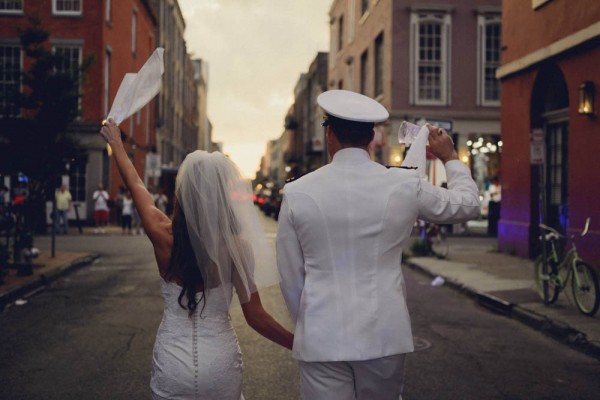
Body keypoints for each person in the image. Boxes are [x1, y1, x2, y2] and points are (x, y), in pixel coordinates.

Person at [276, 90, 480, 400]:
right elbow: (467, 205)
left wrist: (308, 320)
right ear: (371, 136)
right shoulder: (404, 185)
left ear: (329, 134)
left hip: (321, 334)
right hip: (383, 332)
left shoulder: (298, 192)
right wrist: (450, 158)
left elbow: (291, 278)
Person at [100, 119, 294, 400]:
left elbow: (136, 184)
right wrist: (298, 345)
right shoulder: (236, 247)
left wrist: (116, 143)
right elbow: (256, 317)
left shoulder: (163, 235)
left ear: (182, 192)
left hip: (172, 364)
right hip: (220, 364)